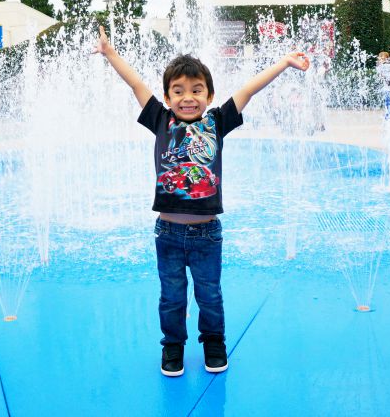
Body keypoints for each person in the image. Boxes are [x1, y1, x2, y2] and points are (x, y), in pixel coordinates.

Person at [93, 25, 310, 377]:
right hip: (167, 233)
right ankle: (173, 347)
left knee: (210, 295)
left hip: (207, 234)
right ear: (167, 98)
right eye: (178, 91)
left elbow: (248, 91)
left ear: (209, 96)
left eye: (196, 90)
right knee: (172, 297)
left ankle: (213, 342)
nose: (187, 97)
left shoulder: (217, 122)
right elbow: (135, 84)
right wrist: (111, 53)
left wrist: (284, 63)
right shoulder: (160, 119)